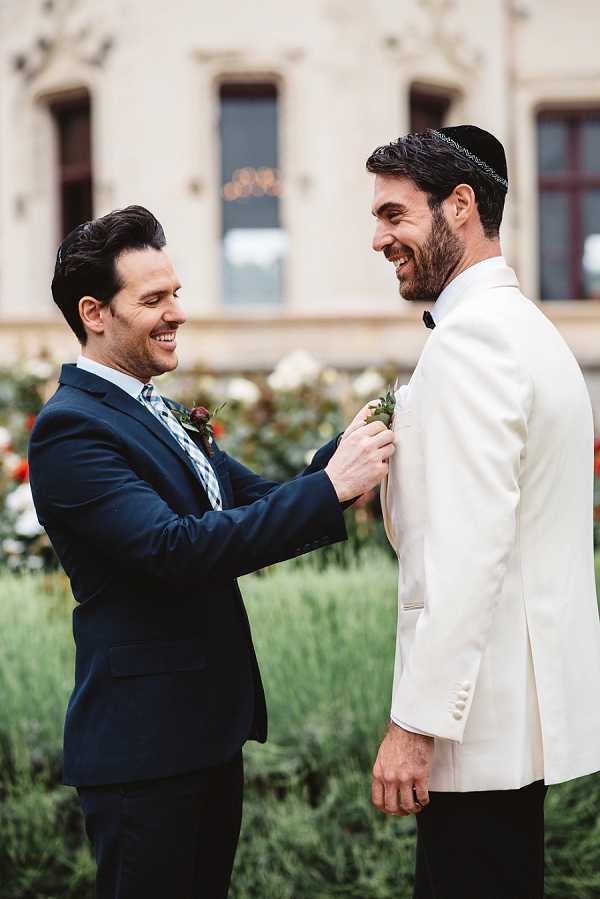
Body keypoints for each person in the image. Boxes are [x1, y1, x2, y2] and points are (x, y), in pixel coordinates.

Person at [28, 205, 394, 899]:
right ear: (94, 312)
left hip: (203, 738)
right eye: (154, 299)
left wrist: (343, 460)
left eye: (177, 292)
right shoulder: (70, 430)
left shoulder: (151, 407)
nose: (178, 313)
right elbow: (175, 549)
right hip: (143, 756)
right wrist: (330, 488)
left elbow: (254, 504)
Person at [366, 126, 600, 899]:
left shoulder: (471, 344)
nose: (380, 239)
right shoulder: (527, 330)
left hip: (475, 728)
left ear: (459, 207)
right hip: (510, 720)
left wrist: (413, 722)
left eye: (395, 214)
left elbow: (469, 552)